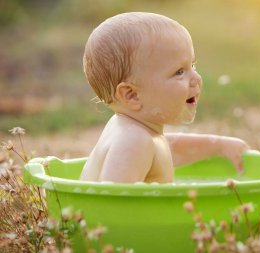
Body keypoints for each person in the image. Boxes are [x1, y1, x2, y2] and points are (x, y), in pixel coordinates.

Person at [80, 12, 249, 183]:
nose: (197, 79)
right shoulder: (134, 141)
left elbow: (166, 148)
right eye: (179, 72)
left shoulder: (138, 134)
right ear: (132, 95)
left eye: (192, 65)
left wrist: (219, 146)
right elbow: (112, 201)